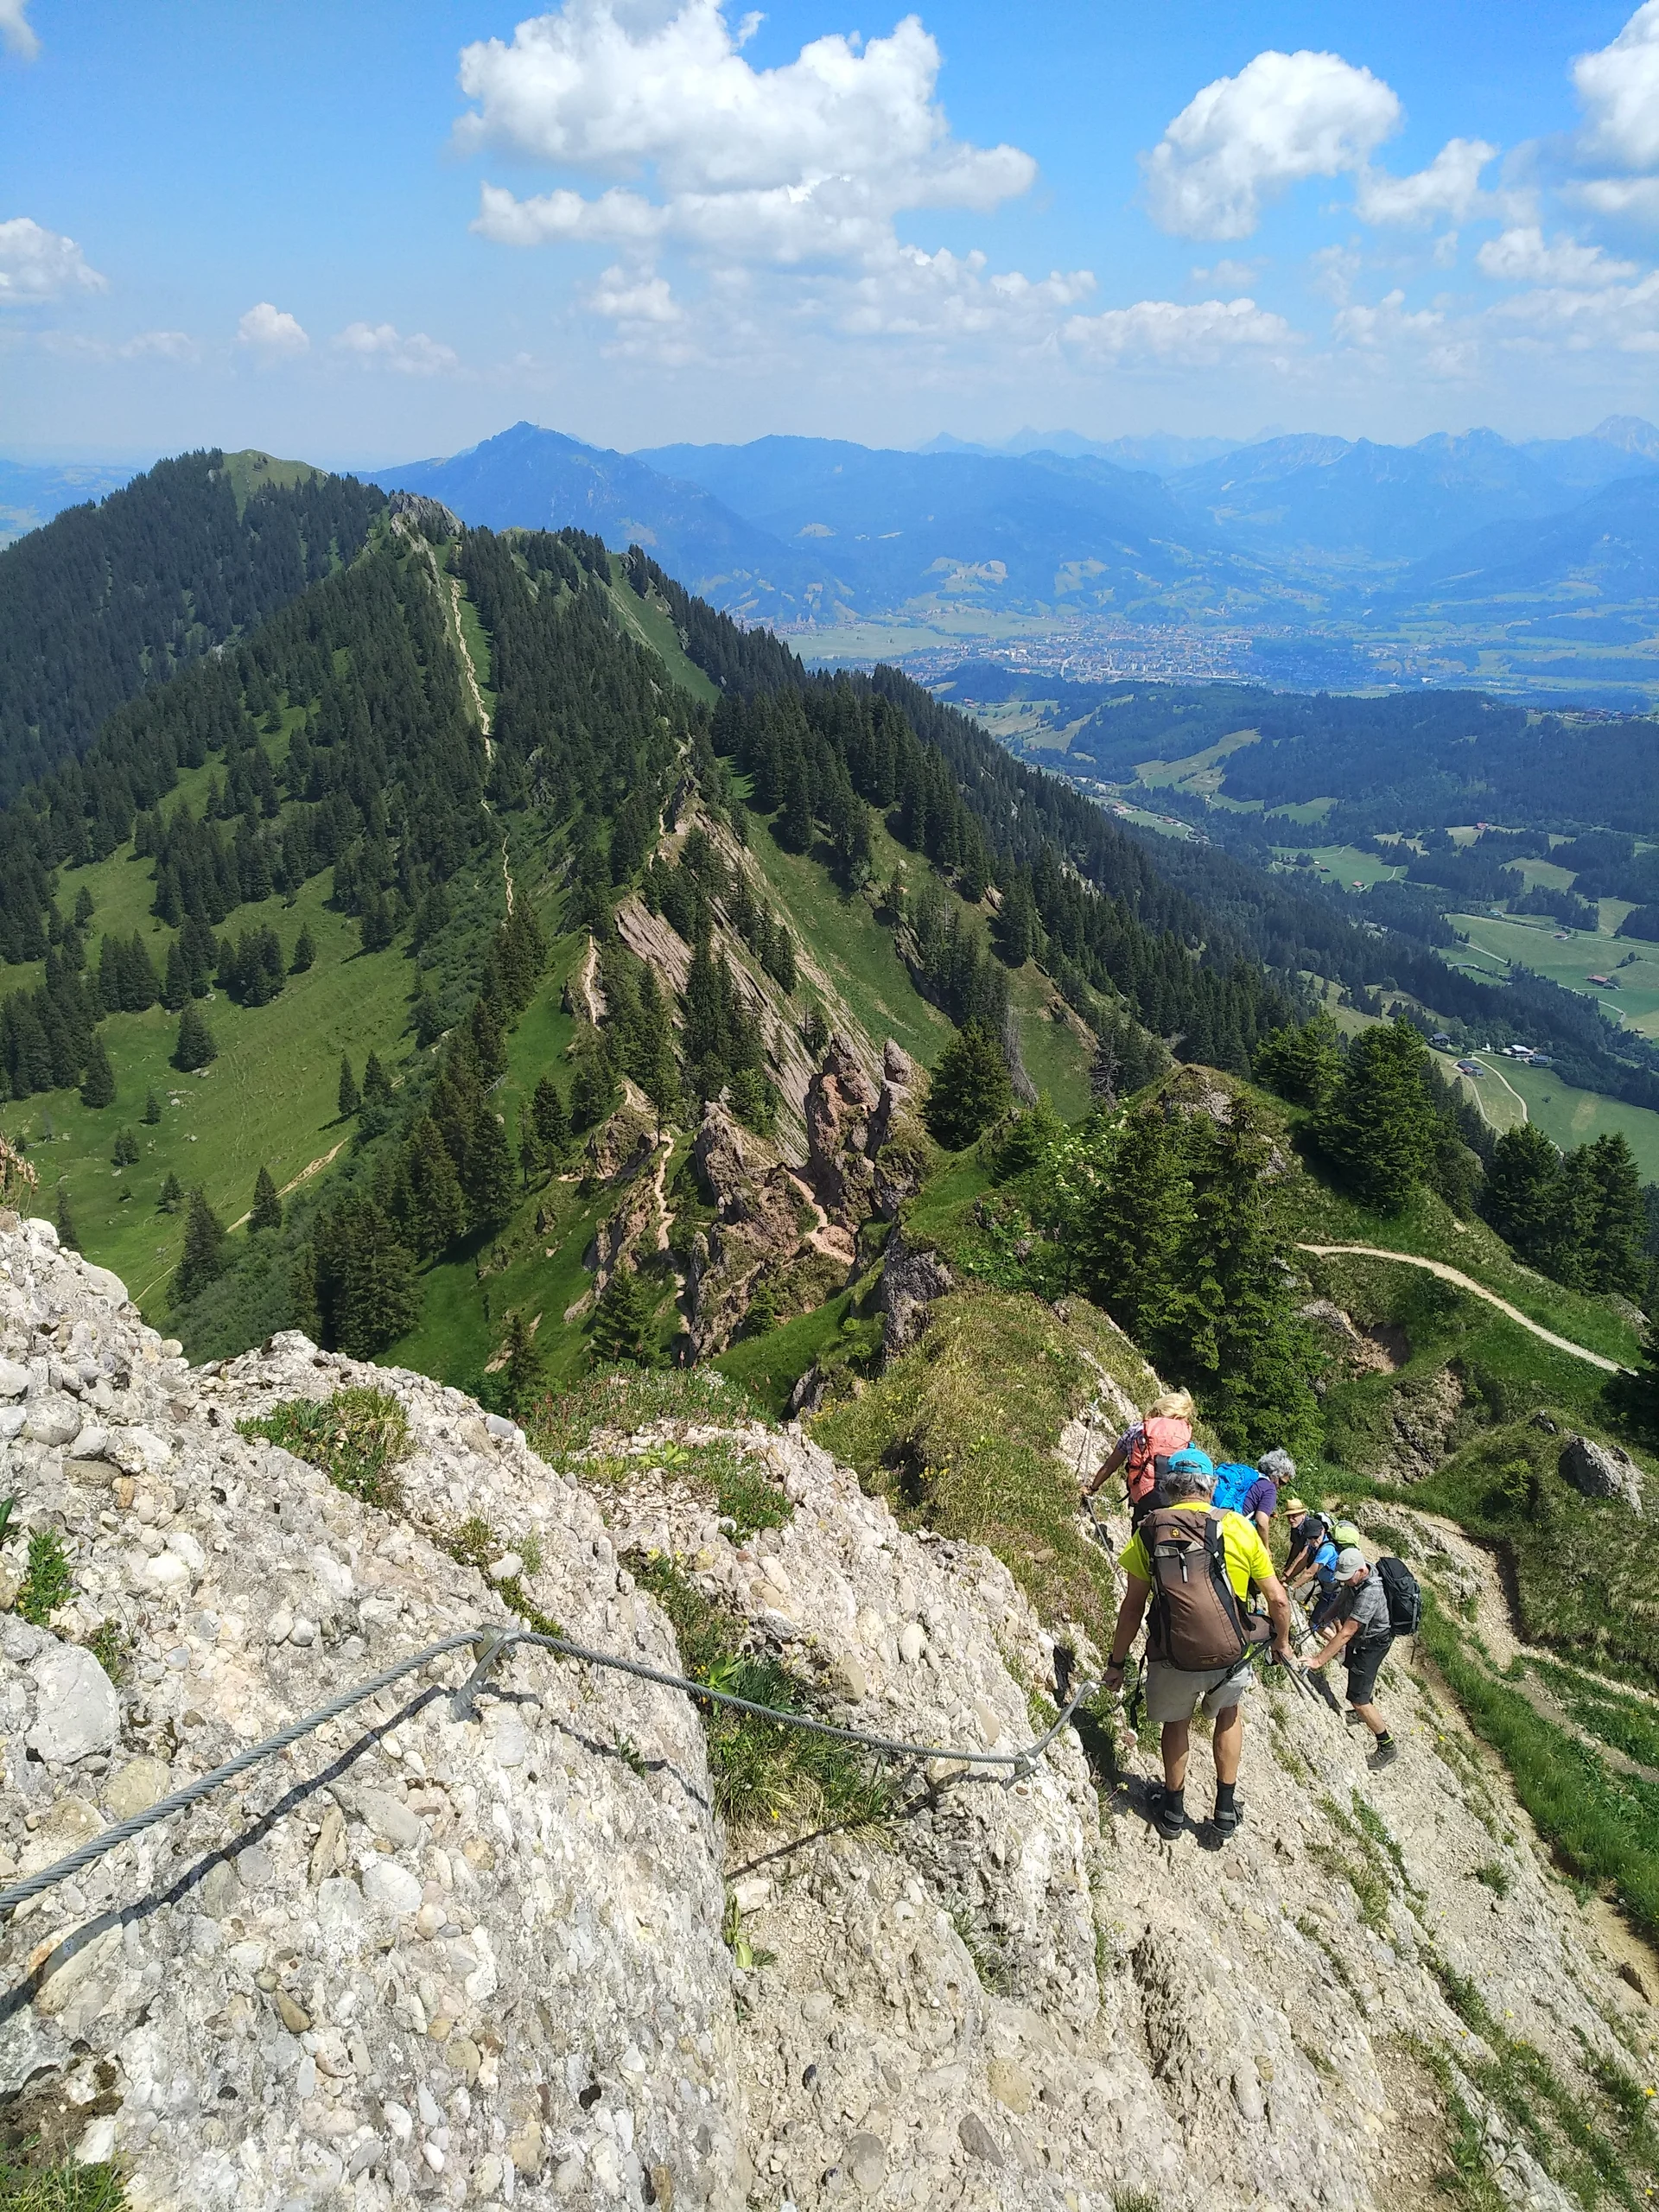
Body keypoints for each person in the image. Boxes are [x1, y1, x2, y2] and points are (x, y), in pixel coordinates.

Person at [1103, 1447, 1294, 1841]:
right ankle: (1224, 1811)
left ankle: (1172, 1812)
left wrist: (1116, 1663)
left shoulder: (1150, 1529)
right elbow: (1277, 1599)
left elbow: (1133, 1606)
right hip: (1230, 1652)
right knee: (1228, 1714)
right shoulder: (1239, 1527)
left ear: (1169, 1486)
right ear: (1211, 1486)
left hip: (1174, 1652)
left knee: (1177, 1722)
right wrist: (1282, 1643)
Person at [1306, 1548, 1398, 1766]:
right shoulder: (1356, 1579)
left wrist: (1318, 1660)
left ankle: (1387, 1746)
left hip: (1374, 1643)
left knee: (1358, 1698)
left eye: (1347, 1577)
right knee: (1355, 1673)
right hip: (1364, 1640)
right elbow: (1343, 1597)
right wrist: (1327, 1616)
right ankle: (1364, 1707)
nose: (1345, 1580)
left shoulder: (1370, 1592)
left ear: (1360, 1570)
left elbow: (1347, 1632)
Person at [1085, 1389, 1194, 1527]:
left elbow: (1111, 1465)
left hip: (1143, 1497)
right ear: (1179, 1417)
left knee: (1139, 1540)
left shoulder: (1137, 1429)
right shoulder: (1184, 1438)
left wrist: (1092, 1488)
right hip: (1173, 1503)